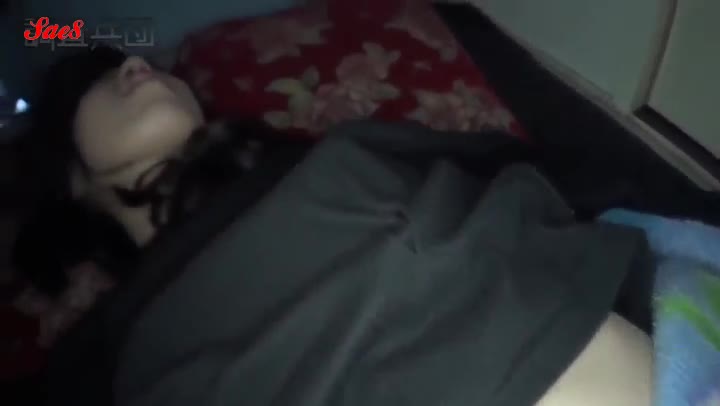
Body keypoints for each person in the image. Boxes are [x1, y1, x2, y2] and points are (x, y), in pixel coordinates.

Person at [13, 46, 651, 406]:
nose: (136, 65)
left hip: (571, 352)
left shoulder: (338, 154)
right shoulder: (113, 355)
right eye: (101, 78)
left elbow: (531, 172)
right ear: (68, 178)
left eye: (144, 64)